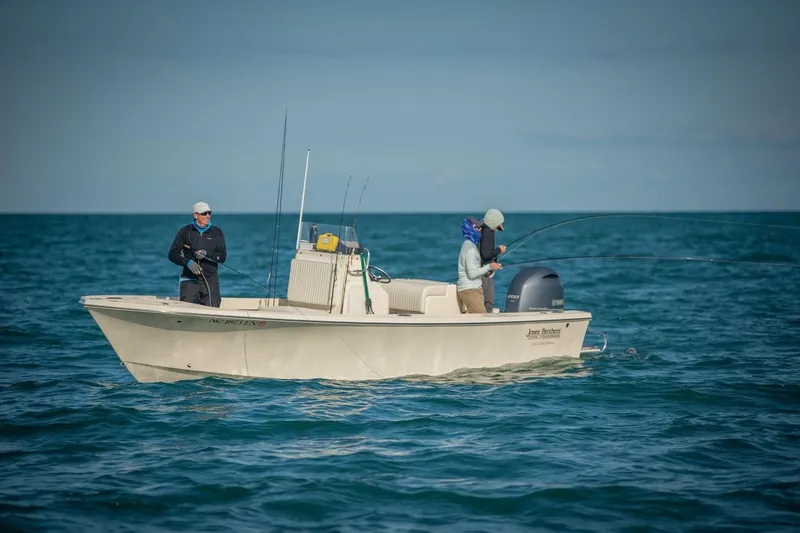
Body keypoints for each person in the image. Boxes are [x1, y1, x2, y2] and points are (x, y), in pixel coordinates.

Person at [168, 201, 227, 307]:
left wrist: (207, 254)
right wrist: (187, 263)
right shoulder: (185, 231)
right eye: (204, 213)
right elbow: (172, 254)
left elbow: (222, 257)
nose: (208, 216)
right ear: (195, 215)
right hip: (189, 279)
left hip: (210, 280)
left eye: (209, 213)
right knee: (186, 310)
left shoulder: (217, 232)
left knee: (212, 309)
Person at [457, 216, 502, 313]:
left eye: (480, 227)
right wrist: (490, 266)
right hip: (470, 290)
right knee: (482, 317)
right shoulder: (470, 249)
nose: (480, 229)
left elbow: (473, 269)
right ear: (470, 229)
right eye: (477, 228)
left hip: (474, 289)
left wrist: (486, 272)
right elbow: (472, 274)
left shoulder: (468, 245)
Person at [478, 208, 507, 312]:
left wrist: (494, 259)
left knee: (485, 298)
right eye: (497, 227)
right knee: (488, 299)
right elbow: (486, 254)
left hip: (483, 269)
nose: (497, 230)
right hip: (485, 272)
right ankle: (487, 317)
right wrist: (499, 250)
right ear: (493, 222)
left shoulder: (483, 229)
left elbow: (483, 252)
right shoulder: (488, 232)